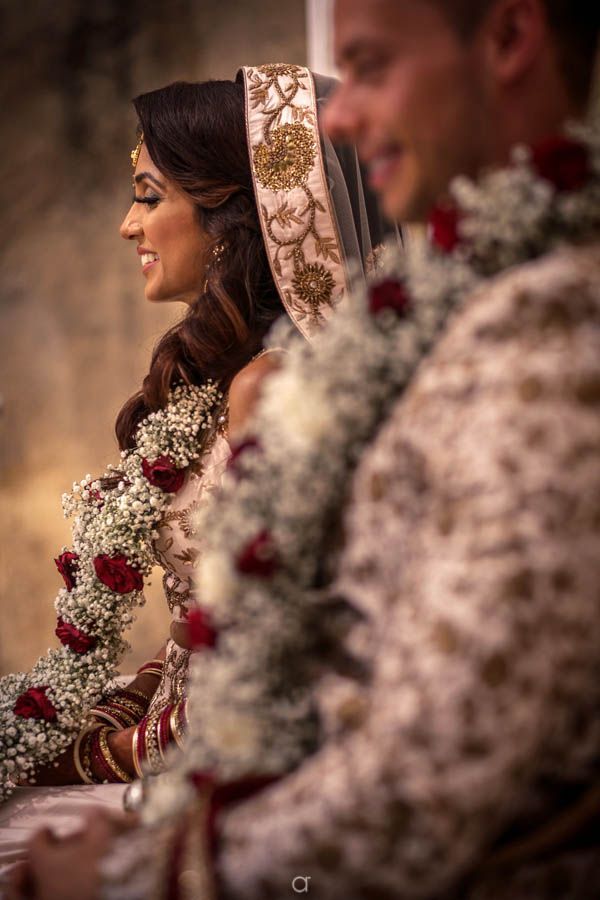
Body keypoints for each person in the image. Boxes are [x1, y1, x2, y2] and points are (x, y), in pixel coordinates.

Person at [8, 0, 600, 897]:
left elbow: (428, 751)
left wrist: (155, 866)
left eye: (366, 67)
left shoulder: (542, 338)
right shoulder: (462, 318)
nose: (344, 118)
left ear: (510, 39)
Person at [0, 64, 388, 882]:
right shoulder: (223, 379)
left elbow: (271, 664)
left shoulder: (271, 390)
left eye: (148, 195)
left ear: (229, 219)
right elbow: (200, 632)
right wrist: (97, 709)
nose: (125, 226)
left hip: (240, 757)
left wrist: (92, 755)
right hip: (183, 721)